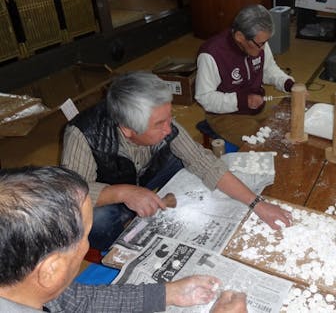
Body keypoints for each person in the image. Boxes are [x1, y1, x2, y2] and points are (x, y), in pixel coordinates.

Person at [61, 71, 291, 251]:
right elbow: (70, 192)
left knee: (193, 164)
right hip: (110, 188)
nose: (169, 128)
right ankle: (123, 247)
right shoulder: (83, 134)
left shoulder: (160, 121)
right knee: (95, 220)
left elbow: (203, 161)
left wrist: (257, 204)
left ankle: (147, 202)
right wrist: (123, 193)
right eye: (159, 124)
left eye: (169, 117)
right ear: (128, 129)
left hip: (149, 173)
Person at [0, 166, 248, 313]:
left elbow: (70, 300)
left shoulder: (25, 284)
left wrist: (166, 294)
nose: (87, 245)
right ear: (51, 270)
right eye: (86, 235)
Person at [195, 4, 295, 147]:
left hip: (256, 107)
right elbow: (204, 97)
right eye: (260, 44)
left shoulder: (258, 41)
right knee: (265, 144)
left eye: (265, 42)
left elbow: (268, 69)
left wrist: (287, 83)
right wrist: (242, 100)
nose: (263, 48)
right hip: (224, 115)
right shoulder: (212, 54)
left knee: (287, 128)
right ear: (240, 36)